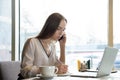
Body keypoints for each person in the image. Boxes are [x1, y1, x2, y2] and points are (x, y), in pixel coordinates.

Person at [18, 12, 68, 79]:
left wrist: (62, 46)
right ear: (50, 27)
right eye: (58, 29)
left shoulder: (52, 46)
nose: (61, 33)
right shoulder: (32, 42)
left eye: (63, 30)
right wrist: (45, 70)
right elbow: (25, 71)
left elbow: (61, 67)